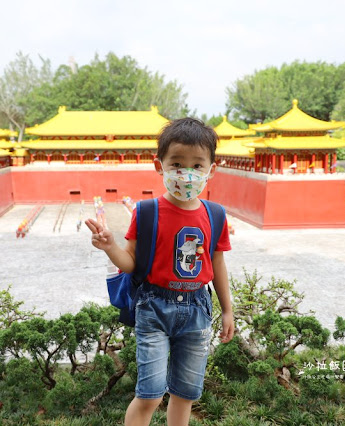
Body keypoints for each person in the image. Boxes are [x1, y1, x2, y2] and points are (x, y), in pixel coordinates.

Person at [85, 118, 234, 426]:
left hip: (197, 309)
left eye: (197, 164)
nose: (187, 173)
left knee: (186, 394)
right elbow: (130, 262)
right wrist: (110, 246)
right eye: (177, 163)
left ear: (212, 169)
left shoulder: (215, 215)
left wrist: (228, 309)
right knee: (150, 394)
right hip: (154, 307)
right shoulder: (147, 211)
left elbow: (217, 264)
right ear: (160, 165)